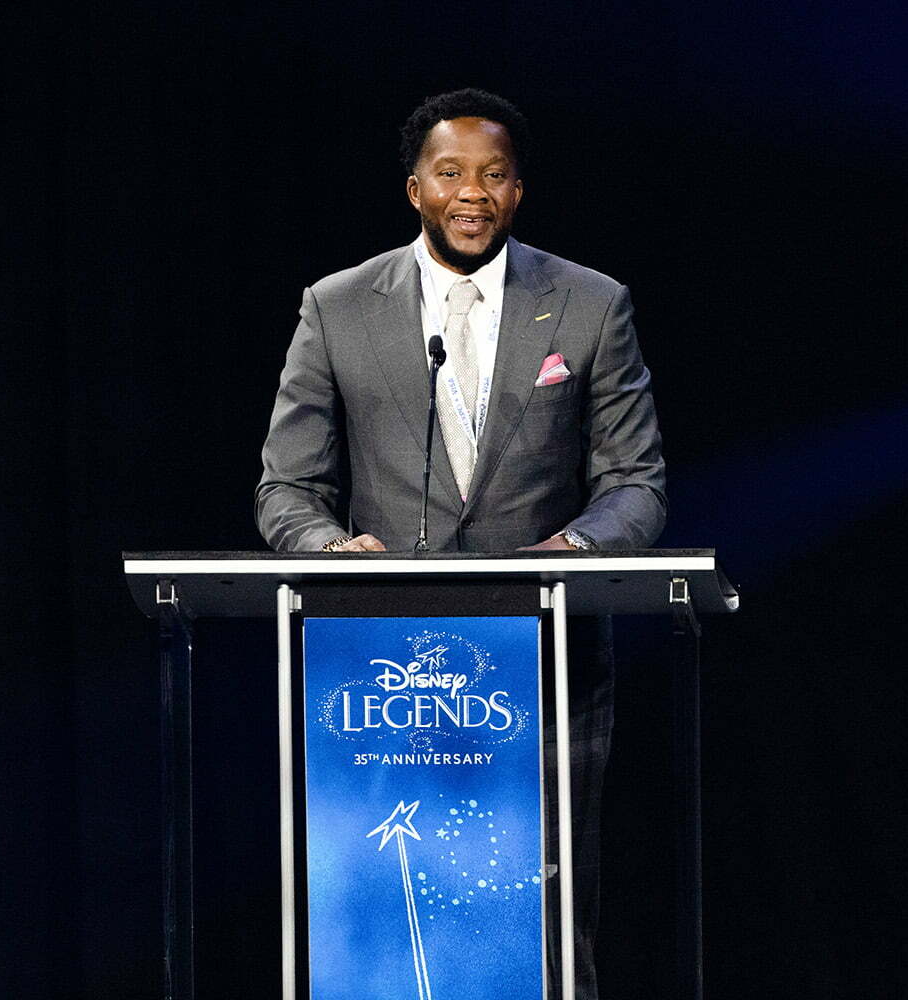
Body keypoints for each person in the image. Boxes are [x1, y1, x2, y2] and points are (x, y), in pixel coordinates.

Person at [255, 88, 665, 998]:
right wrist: (327, 550)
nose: (471, 193)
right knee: (389, 914)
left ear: (519, 191)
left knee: (545, 912)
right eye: (451, 174)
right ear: (415, 189)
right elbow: (286, 485)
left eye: (494, 175)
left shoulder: (591, 305)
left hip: (544, 666)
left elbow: (635, 485)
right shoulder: (339, 306)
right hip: (382, 678)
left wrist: (576, 550)